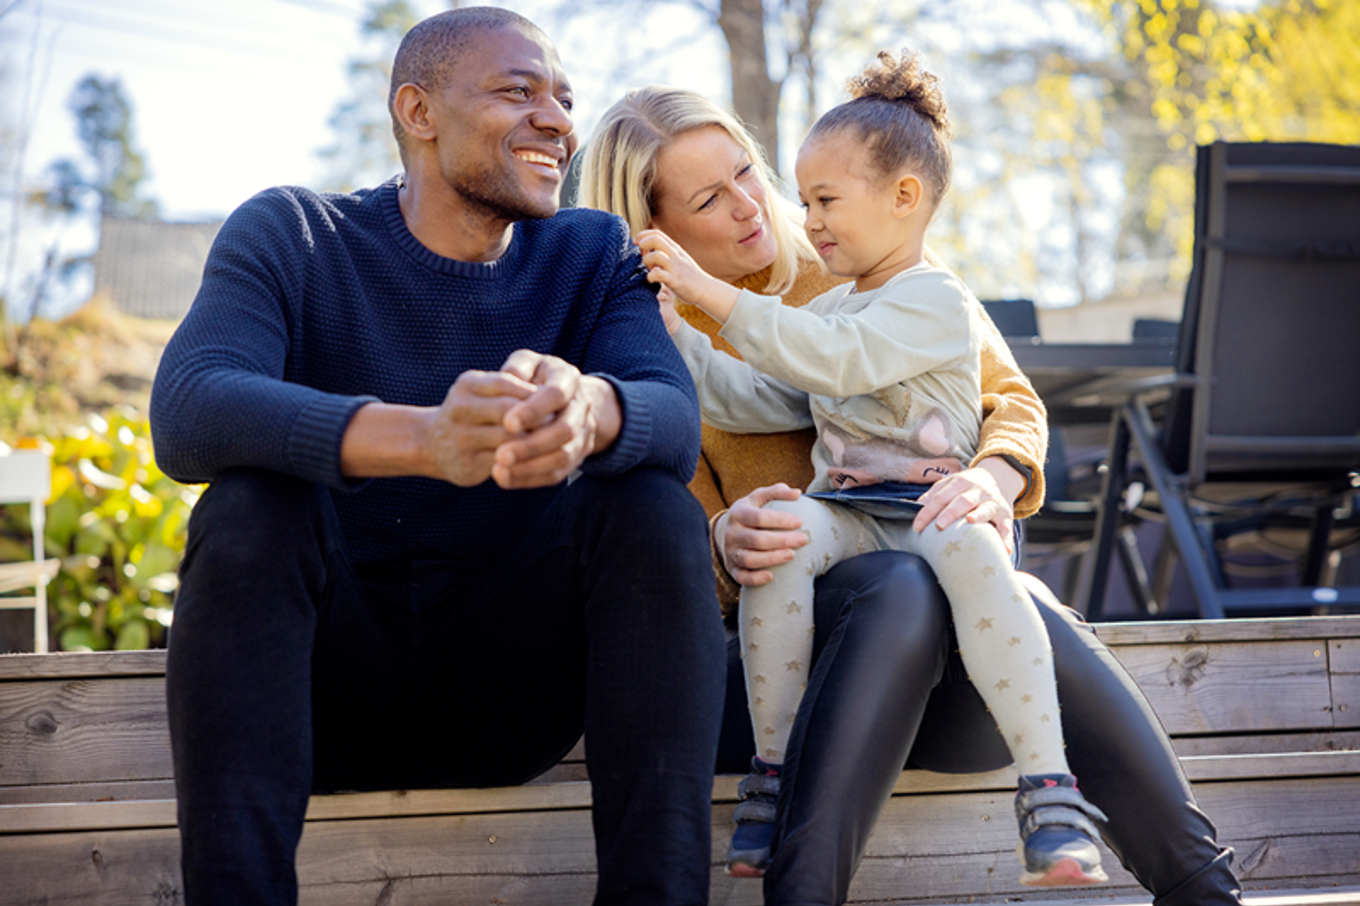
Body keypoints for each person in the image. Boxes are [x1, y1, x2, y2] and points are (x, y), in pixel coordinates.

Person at [580, 87, 1246, 906]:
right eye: (711, 199)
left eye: (748, 173)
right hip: (781, 668)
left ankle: (1195, 885)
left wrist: (991, 478)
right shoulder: (651, 340)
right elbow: (656, 546)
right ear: (658, 234)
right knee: (902, 586)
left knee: (1003, 592)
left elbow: (1011, 401)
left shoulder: (862, 266)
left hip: (947, 659)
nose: (754, 204)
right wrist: (721, 541)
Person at [149, 8, 725, 905]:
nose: (559, 120)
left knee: (650, 502)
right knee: (251, 501)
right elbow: (189, 408)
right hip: (314, 698)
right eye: (517, 91)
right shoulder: (294, 234)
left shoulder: (592, 251)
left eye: (565, 99)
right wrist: (423, 440)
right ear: (419, 111)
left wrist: (589, 411)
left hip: (510, 696)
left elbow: (671, 415)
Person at [637, 50, 1108, 888]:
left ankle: (1050, 787)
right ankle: (772, 774)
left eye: (821, 200)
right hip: (852, 510)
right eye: (712, 198)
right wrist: (676, 338)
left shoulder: (932, 298)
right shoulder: (825, 303)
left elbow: (835, 358)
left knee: (980, 561)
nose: (798, 216)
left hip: (929, 506)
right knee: (781, 534)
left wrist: (997, 477)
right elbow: (755, 396)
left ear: (903, 199)